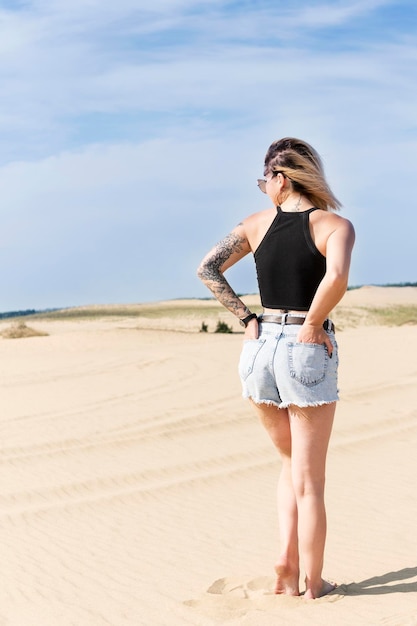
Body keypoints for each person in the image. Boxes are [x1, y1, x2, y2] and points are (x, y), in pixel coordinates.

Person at [197, 137, 355, 600]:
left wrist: (247, 319)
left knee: (288, 465)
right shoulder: (336, 225)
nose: (263, 187)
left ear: (281, 179)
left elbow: (207, 269)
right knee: (311, 480)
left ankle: (286, 568)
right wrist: (310, 324)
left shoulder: (254, 224)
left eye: (265, 179)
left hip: (260, 345)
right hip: (304, 347)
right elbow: (337, 275)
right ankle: (313, 584)